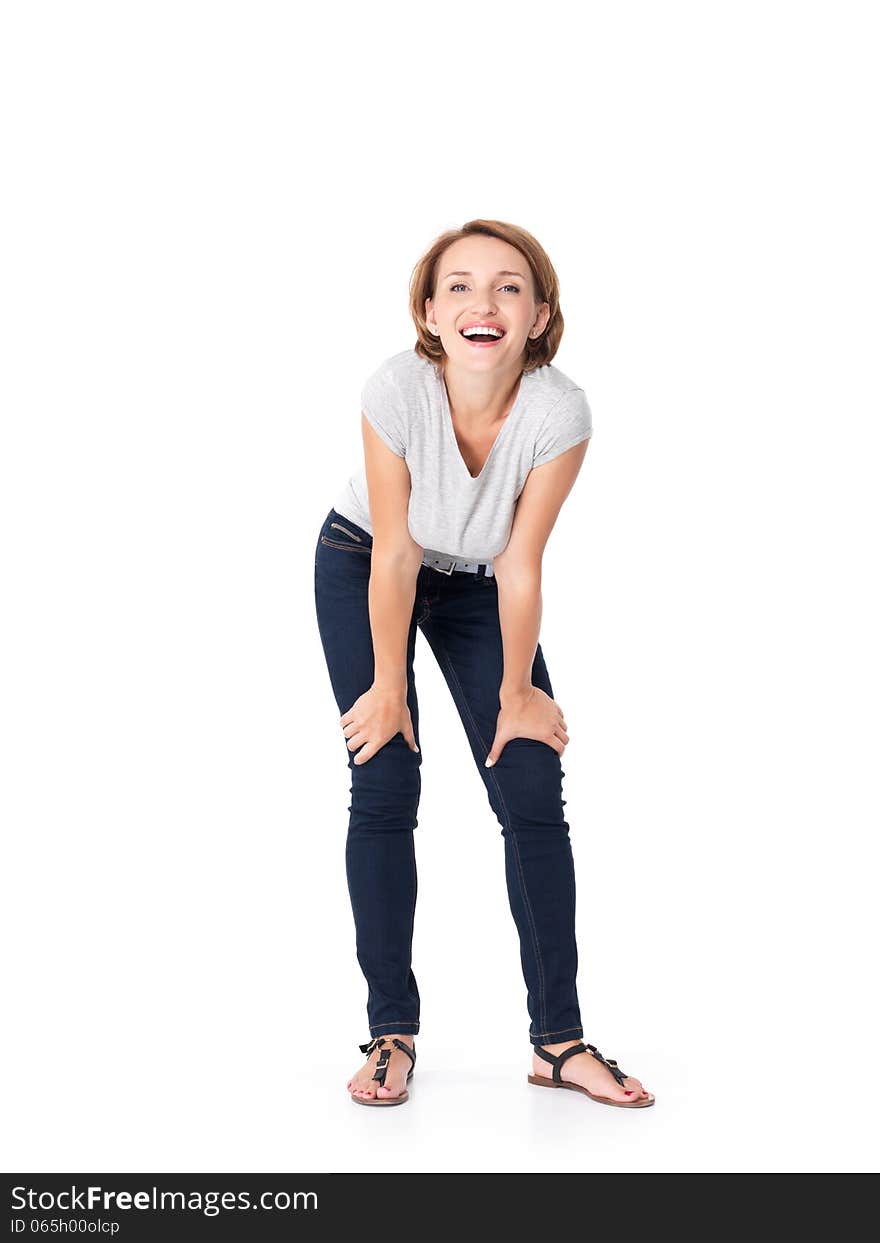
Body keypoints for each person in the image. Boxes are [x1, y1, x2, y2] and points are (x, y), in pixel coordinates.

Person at [314, 219, 654, 1110]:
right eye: (458, 285)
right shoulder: (395, 388)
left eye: (509, 286)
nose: (483, 302)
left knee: (531, 784)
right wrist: (389, 689)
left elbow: (521, 562)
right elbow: (393, 552)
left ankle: (559, 1041)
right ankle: (391, 1031)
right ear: (429, 311)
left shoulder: (559, 411)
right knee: (384, 777)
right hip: (364, 562)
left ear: (541, 315)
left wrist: (516, 695)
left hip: (479, 583)